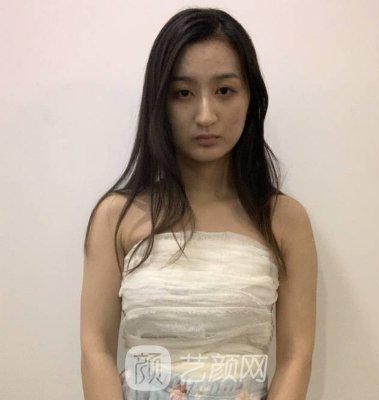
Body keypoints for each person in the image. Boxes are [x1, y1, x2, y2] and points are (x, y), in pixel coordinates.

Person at [80, 7, 317, 400]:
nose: (205, 115)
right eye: (183, 93)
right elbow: (95, 350)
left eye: (224, 91)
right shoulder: (115, 218)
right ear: (159, 102)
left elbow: (297, 356)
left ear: (251, 98)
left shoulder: (284, 220)